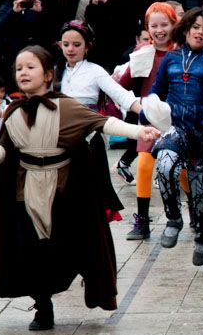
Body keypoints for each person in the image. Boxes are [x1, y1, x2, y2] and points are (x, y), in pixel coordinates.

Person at [0, 46, 159, 330]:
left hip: (63, 190)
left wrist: (139, 131)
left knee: (67, 244)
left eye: (31, 67)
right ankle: (42, 307)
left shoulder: (66, 107)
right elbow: (4, 151)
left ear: (49, 74)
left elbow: (103, 123)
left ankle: (86, 277)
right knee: (32, 250)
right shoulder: (12, 112)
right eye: (19, 68)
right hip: (26, 191)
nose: (23, 73)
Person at [148, 8, 203, 264]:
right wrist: (146, 113)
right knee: (165, 165)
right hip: (176, 127)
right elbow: (156, 91)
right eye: (196, 27)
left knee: (200, 190)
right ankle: (173, 217)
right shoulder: (171, 58)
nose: (199, 32)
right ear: (186, 28)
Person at [55, 20, 142, 219]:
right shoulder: (54, 71)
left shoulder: (95, 71)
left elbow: (122, 95)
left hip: (88, 139)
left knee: (89, 196)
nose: (70, 49)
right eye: (66, 44)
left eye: (77, 45)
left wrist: (145, 111)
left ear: (87, 46)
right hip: (58, 140)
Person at [118, 4, 178, 241]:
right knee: (144, 164)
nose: (159, 30)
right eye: (154, 25)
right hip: (149, 117)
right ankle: (142, 219)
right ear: (147, 28)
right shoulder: (143, 54)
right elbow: (123, 83)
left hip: (176, 116)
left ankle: (193, 212)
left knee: (180, 170)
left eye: (165, 24)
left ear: (174, 24)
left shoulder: (181, 52)